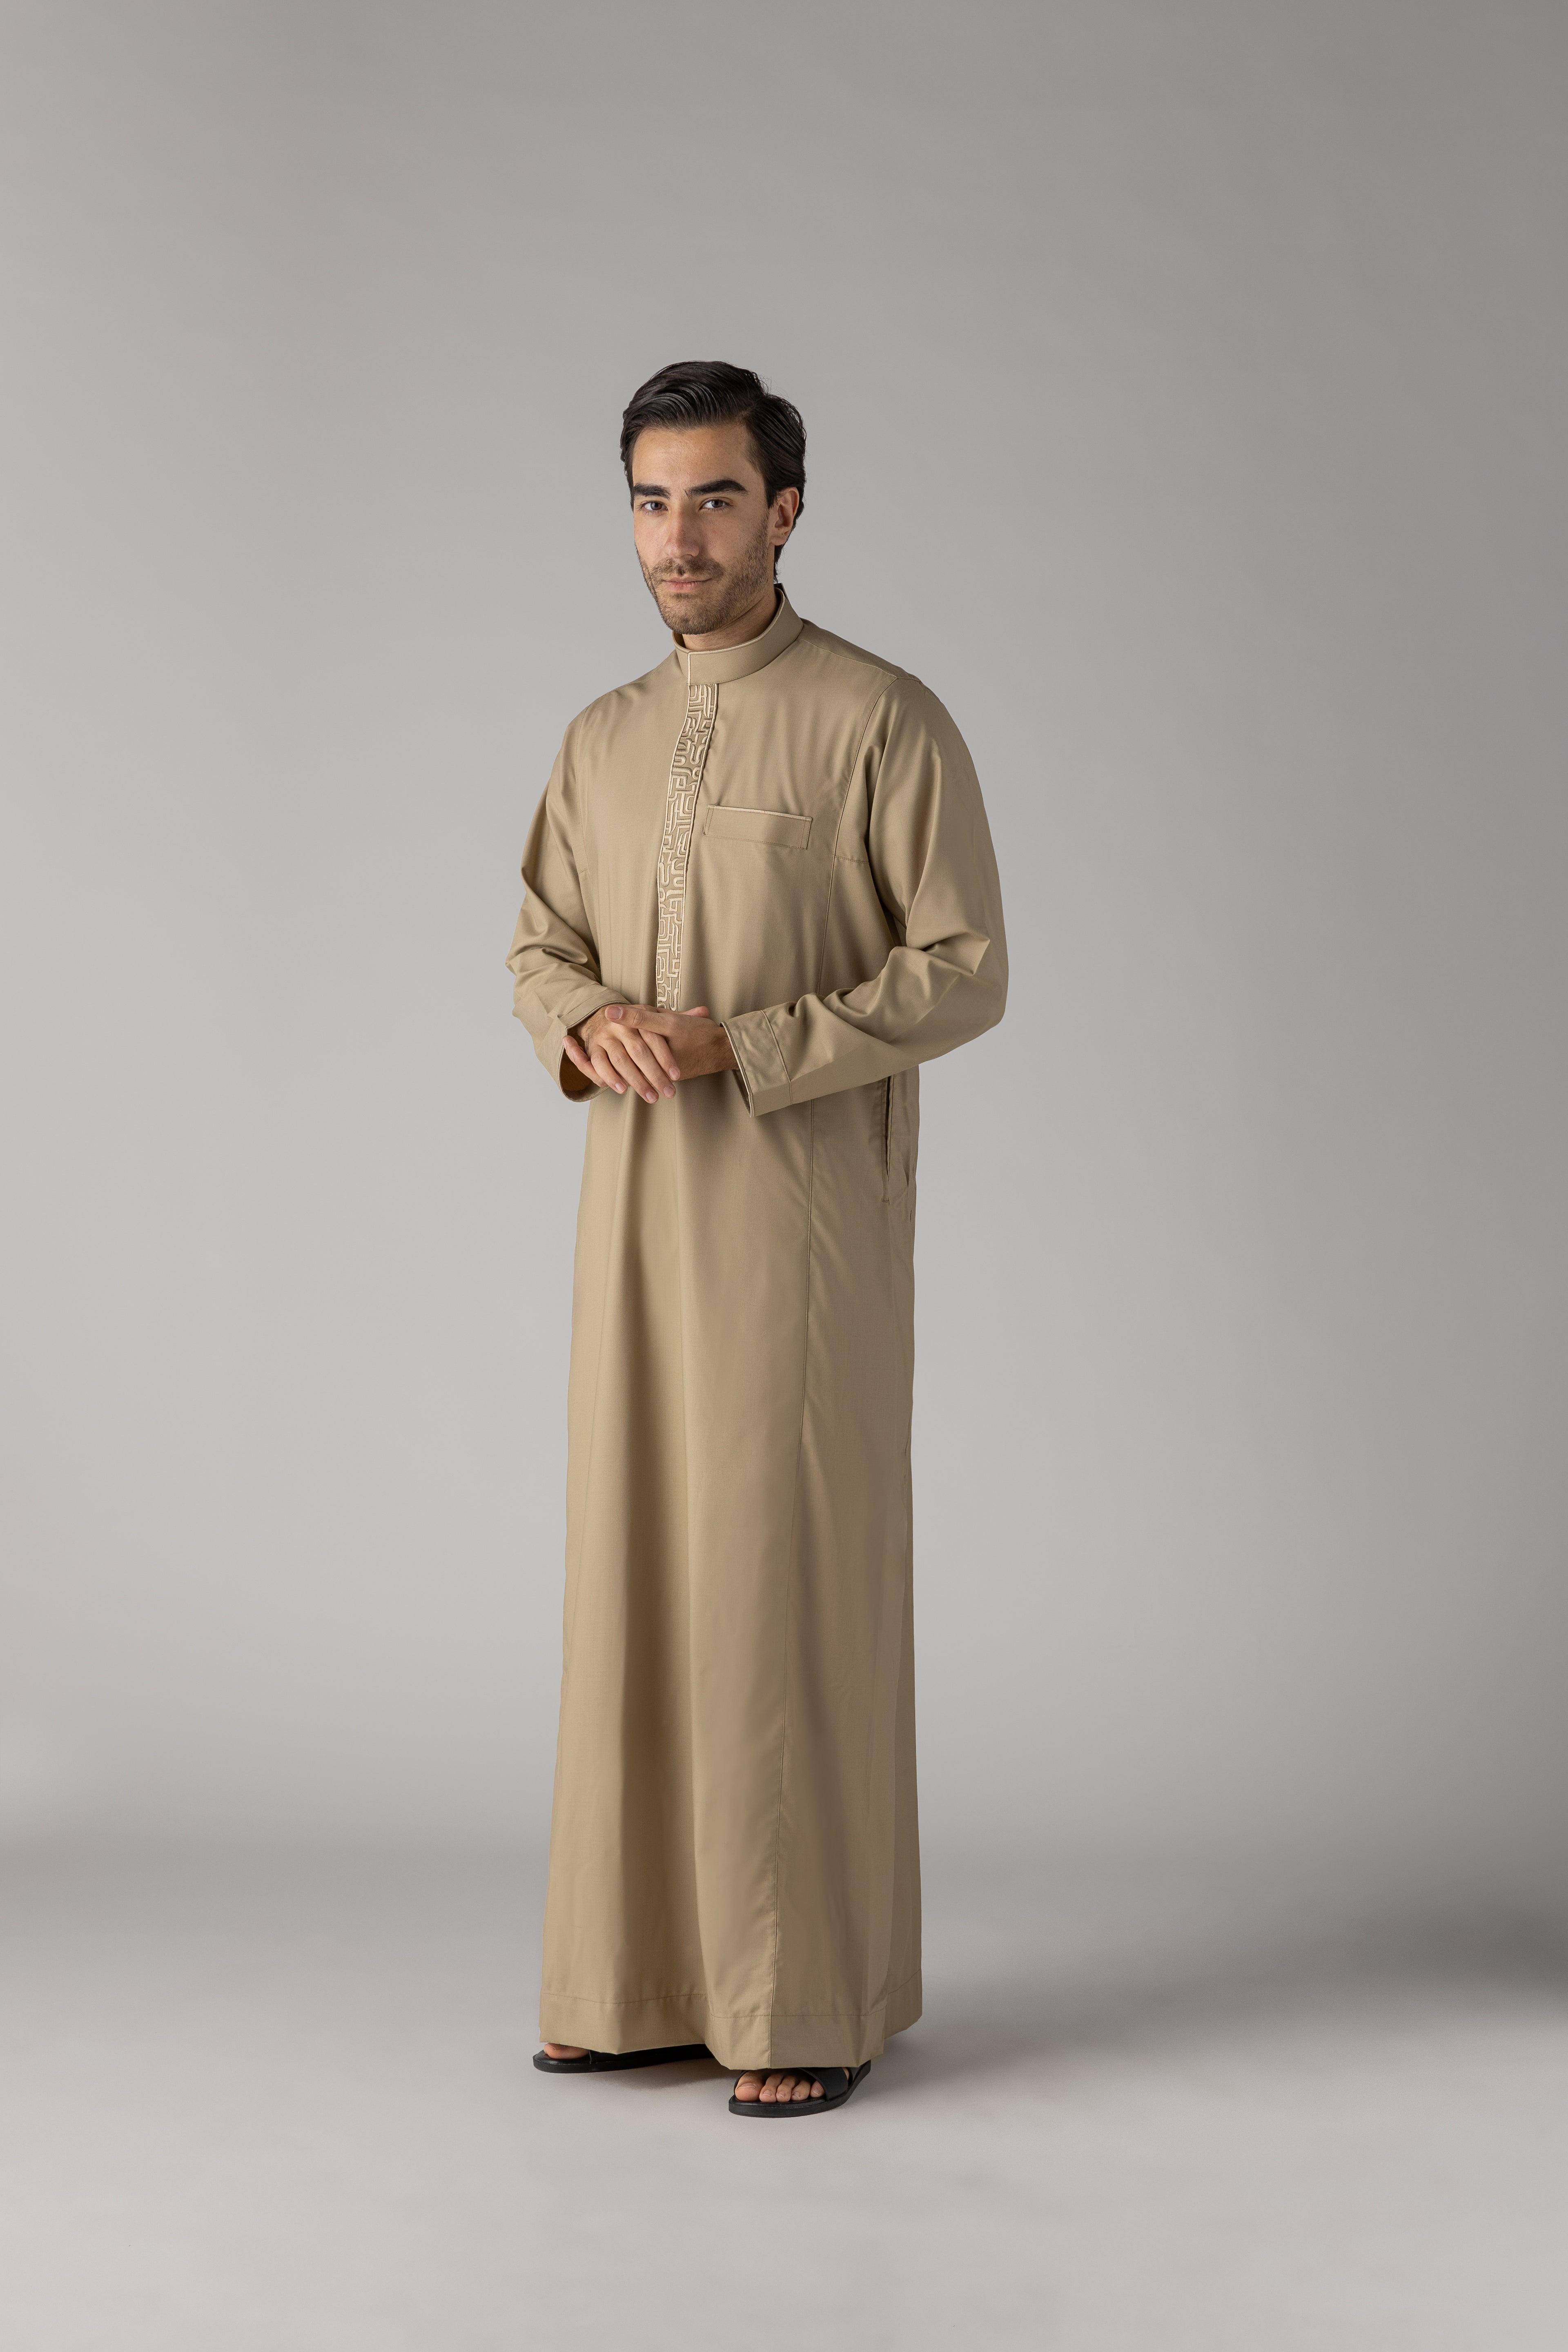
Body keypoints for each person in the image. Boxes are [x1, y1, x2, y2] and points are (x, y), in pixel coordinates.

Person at [507, 361, 1007, 2117]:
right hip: (637, 1227)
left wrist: (753, 1042)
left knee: (780, 1588)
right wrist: (589, 1021)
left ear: (785, 513)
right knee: (634, 1574)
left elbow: (964, 968)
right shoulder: (601, 738)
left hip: (802, 1238)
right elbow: (539, 944)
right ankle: (631, 1980)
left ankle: (801, 1997)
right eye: (652, 502)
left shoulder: (882, 718)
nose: (680, 538)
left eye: (715, 500)